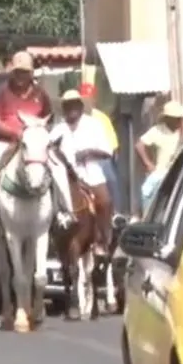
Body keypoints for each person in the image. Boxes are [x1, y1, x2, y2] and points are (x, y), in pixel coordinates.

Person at [0, 50, 74, 228]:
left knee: (59, 168)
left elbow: (48, 119)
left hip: (34, 144)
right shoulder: (1, 91)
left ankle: (65, 211)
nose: (21, 76)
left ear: (31, 73)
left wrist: (39, 137)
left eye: (25, 72)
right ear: (12, 72)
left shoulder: (41, 94)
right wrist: (15, 134)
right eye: (18, 72)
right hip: (6, 141)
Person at [51, 89, 114, 254]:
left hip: (91, 174)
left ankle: (103, 240)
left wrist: (88, 152)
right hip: (65, 179)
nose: (72, 109)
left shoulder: (94, 124)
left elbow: (108, 151)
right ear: (64, 108)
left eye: (74, 105)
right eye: (68, 105)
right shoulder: (58, 129)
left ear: (80, 106)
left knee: (104, 202)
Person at [79, 82, 125, 225]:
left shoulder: (101, 118)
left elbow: (112, 145)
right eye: (83, 99)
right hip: (78, 159)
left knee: (111, 176)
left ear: (94, 99)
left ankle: (116, 213)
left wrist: (110, 156)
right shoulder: (74, 117)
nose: (87, 102)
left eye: (89, 98)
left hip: (99, 158)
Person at [135, 100, 183, 214]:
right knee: (146, 191)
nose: (177, 121)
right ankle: (147, 217)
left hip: (181, 172)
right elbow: (139, 145)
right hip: (161, 173)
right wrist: (148, 163)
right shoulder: (158, 130)